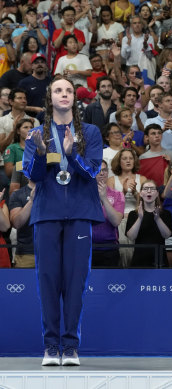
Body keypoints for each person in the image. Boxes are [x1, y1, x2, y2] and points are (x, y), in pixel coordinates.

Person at [22, 75, 103, 366]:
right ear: (50, 97)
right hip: (47, 214)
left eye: (69, 90)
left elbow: (93, 171)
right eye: (58, 90)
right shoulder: (37, 133)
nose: (64, 94)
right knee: (47, 282)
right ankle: (50, 347)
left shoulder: (90, 132)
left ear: (74, 98)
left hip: (80, 213)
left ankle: (70, 347)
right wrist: (43, 154)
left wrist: (72, 154)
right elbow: (32, 175)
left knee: (75, 282)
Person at [126, 180, 172, 267]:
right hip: (139, 261)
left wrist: (157, 218)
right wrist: (140, 218)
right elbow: (131, 237)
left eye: (152, 189)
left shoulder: (165, 214)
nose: (149, 191)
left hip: (159, 261)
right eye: (146, 189)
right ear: (140, 193)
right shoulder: (133, 214)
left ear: (157, 193)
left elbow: (166, 235)